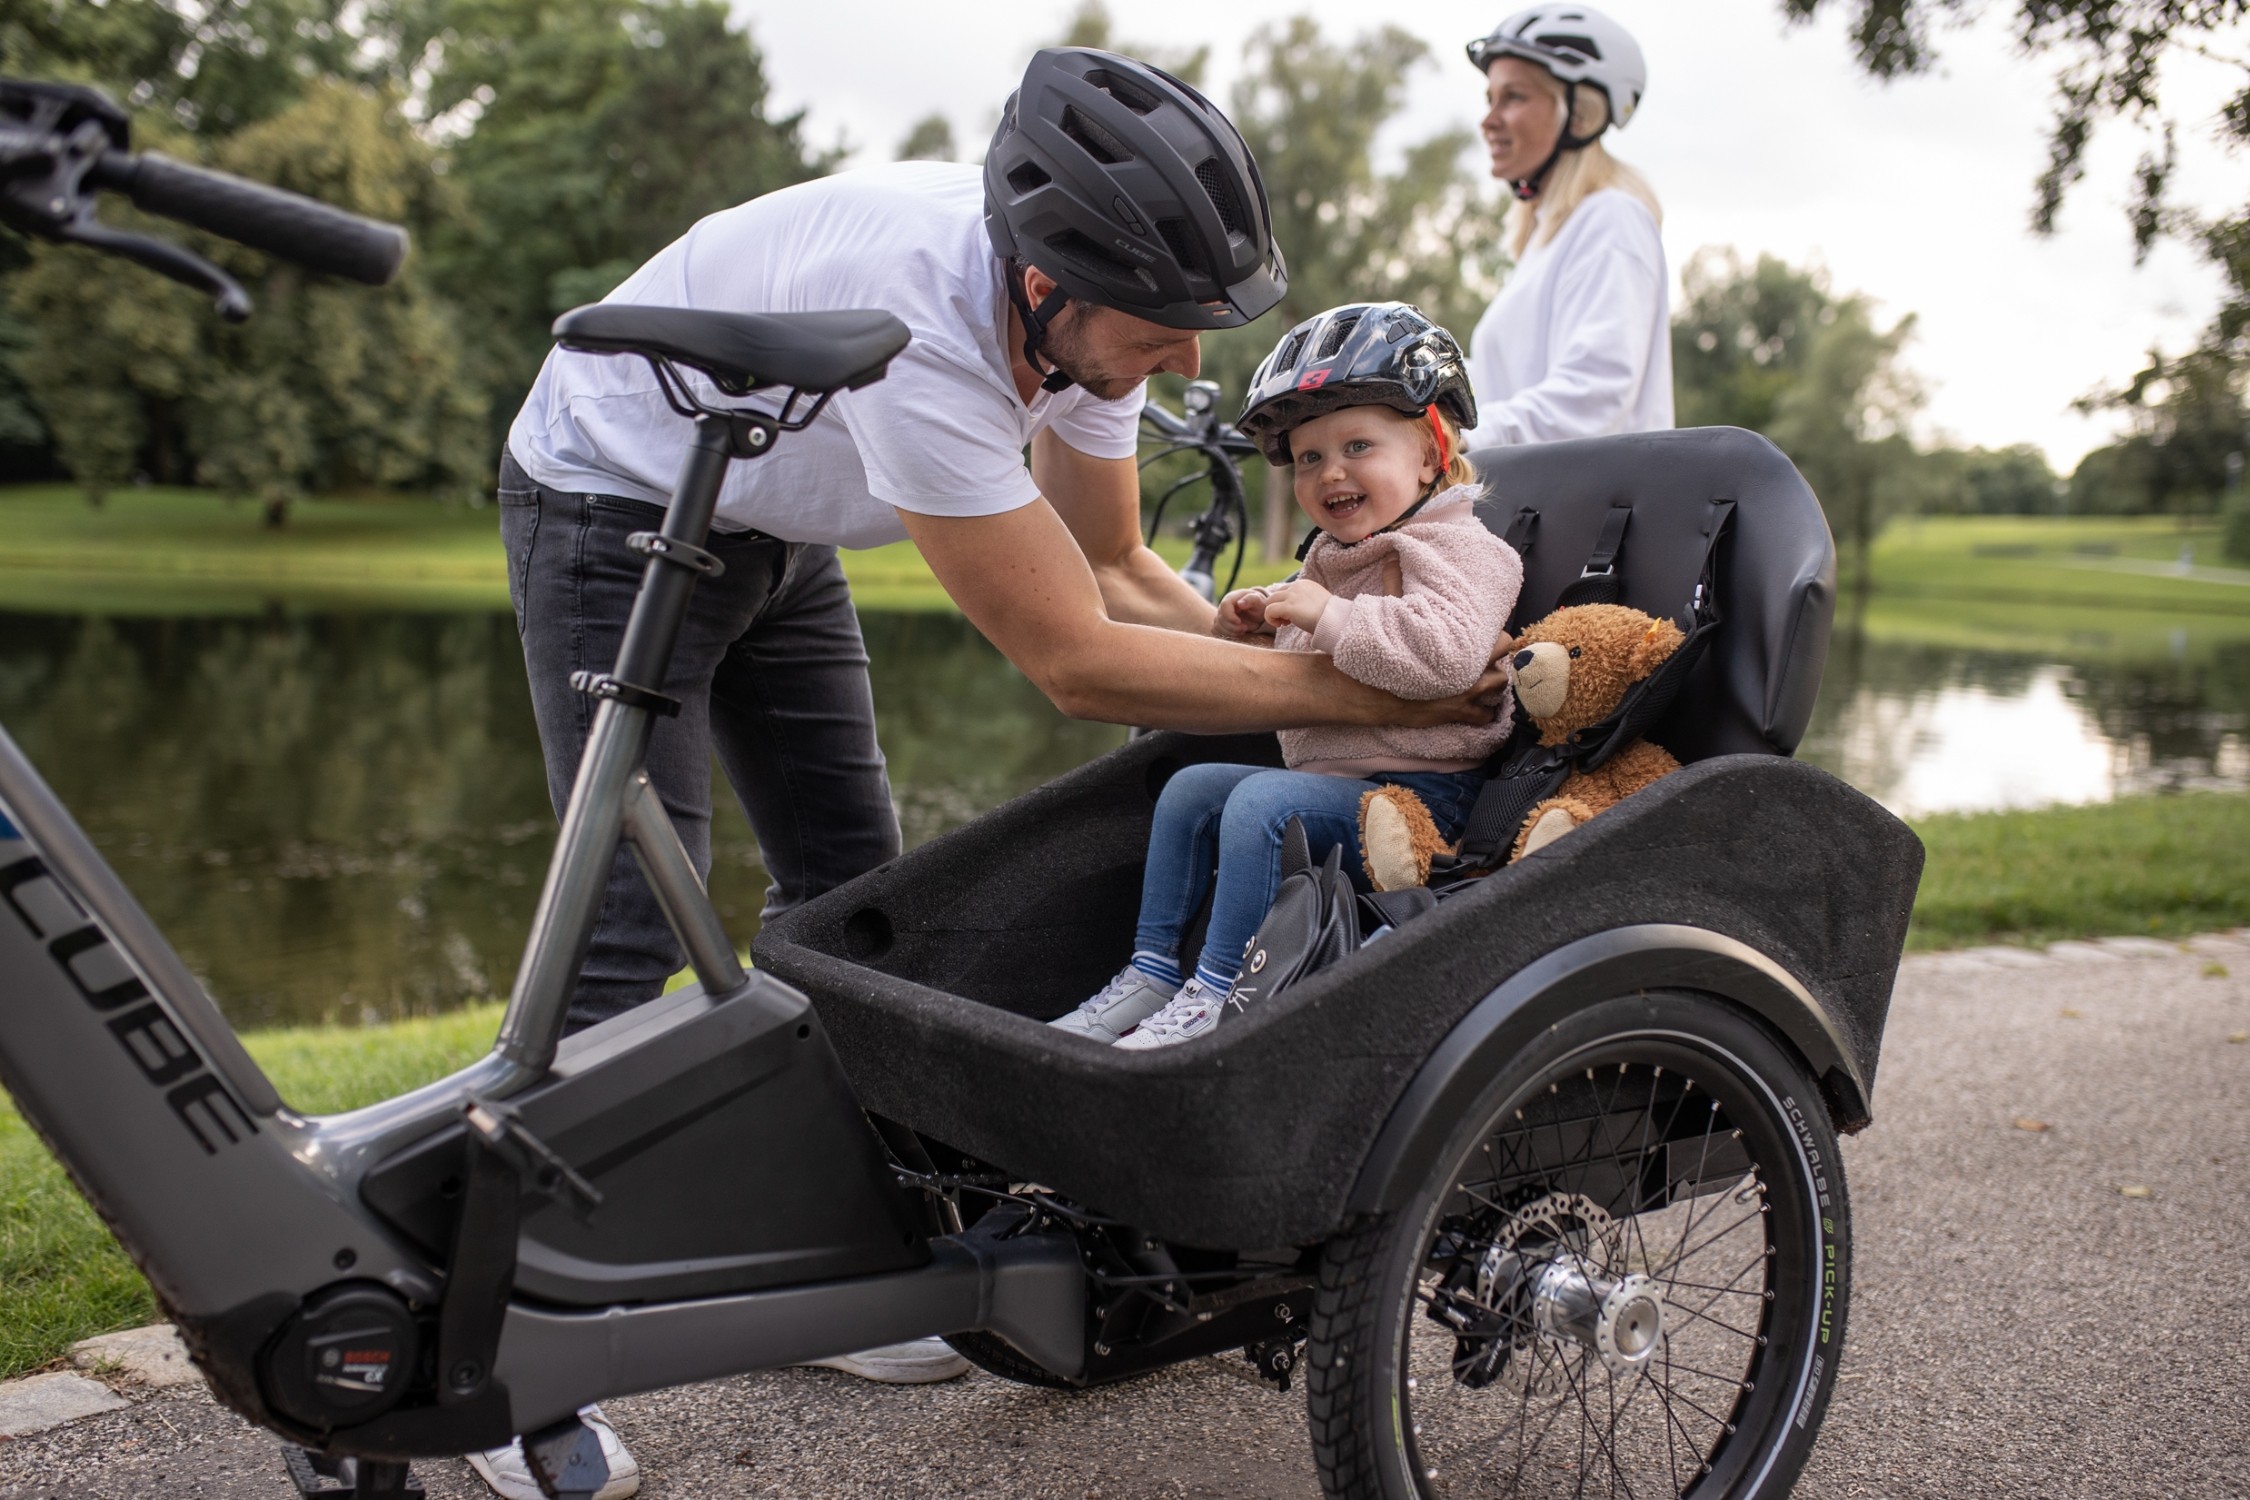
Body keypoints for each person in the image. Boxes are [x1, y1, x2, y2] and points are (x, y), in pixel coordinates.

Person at [479, 49, 1506, 1500]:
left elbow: (1119, 569)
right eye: (1168, 327)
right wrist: (1369, 681)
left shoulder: (1079, 333)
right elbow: (1075, 663)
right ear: (1048, 281)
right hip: (612, 502)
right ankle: (495, 1359)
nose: (1195, 368)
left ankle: (830, 1271)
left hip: (771, 530)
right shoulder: (924, 319)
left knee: (852, 900)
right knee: (625, 922)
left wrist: (1303, 638)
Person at [1051, 304, 1523, 1050]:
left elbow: (1449, 655)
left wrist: (1325, 615)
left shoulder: (1460, 547)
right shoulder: (1339, 554)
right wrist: (1254, 629)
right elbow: (1307, 680)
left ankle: (1215, 993)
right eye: (1308, 457)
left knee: (1260, 805)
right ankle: (1149, 971)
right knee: (1191, 790)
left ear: (1432, 453)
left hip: (1424, 796)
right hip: (1346, 781)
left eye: (1357, 445)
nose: (1331, 471)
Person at [1462, 6, 1672, 442]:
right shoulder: (1547, 239)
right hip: (1541, 503)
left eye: (1514, 97)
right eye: (1490, 99)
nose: (1489, 120)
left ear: (1580, 116)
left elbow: (1593, 399)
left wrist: (1459, 439)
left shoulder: (1612, 218)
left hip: (1591, 507)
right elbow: (1497, 388)